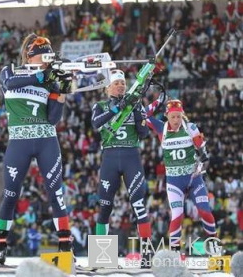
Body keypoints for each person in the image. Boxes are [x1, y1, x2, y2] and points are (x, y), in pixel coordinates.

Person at [0, 34, 73, 265]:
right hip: (19, 141)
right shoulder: (10, 70)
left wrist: (61, 91)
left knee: (56, 195)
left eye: (48, 57)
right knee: (10, 195)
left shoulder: (50, 79)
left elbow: (53, 118)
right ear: (29, 56)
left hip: (46, 140)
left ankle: (65, 248)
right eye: (43, 57)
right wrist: (42, 76)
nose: (46, 62)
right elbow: (9, 84)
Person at [91, 69, 152, 267]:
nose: (121, 86)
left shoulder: (135, 104)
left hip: (131, 157)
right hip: (109, 158)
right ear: (108, 87)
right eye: (117, 83)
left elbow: (144, 133)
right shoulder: (99, 106)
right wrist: (116, 109)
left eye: (123, 83)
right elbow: (95, 124)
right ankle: (102, 258)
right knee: (105, 207)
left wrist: (135, 110)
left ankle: (146, 255)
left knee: (139, 206)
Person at [146, 98, 218, 253]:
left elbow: (202, 150)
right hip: (174, 182)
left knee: (205, 211)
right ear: (167, 116)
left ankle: (214, 247)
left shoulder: (190, 127)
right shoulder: (161, 128)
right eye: (173, 116)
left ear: (182, 115)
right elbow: (145, 114)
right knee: (177, 216)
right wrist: (158, 100)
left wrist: (201, 157)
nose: (176, 120)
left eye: (179, 116)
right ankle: (175, 253)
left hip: (193, 179)